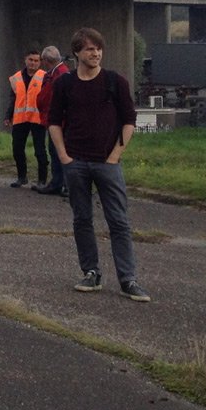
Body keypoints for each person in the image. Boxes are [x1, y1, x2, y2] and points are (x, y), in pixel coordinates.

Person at [47, 27, 150, 302]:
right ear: (77, 53)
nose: (96, 53)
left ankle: (128, 279)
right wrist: (64, 157)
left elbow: (130, 120)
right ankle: (91, 272)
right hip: (76, 163)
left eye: (98, 48)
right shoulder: (65, 84)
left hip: (108, 163)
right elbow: (54, 122)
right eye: (90, 49)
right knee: (82, 220)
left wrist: (116, 155)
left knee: (119, 221)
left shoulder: (115, 81)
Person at [4, 48, 49, 188]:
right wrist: (8, 116)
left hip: (37, 118)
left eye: (36, 61)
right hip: (20, 118)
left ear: (40, 62)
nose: (33, 63)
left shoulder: (45, 77)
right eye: (31, 60)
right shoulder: (16, 77)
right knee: (17, 148)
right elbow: (13, 98)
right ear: (25, 60)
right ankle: (21, 177)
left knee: (40, 150)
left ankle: (42, 180)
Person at [33, 45, 71, 197]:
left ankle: (63, 185)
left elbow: (49, 97)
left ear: (48, 61)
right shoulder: (56, 73)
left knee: (59, 152)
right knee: (55, 152)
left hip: (58, 121)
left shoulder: (60, 75)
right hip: (54, 119)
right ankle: (58, 183)